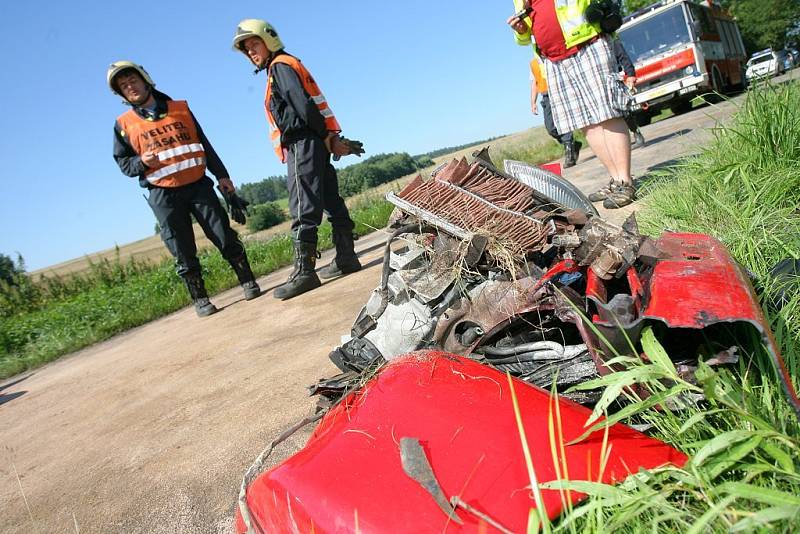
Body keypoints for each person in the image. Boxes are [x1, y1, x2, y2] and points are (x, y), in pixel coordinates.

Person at [109, 61, 261, 317]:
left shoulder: (180, 109)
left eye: (132, 80)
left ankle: (248, 281)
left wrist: (222, 176)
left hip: (198, 184)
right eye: (123, 86)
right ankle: (200, 299)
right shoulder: (123, 125)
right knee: (181, 248)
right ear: (121, 94)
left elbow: (204, 143)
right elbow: (123, 163)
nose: (130, 87)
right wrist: (141, 162)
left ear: (145, 80)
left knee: (222, 234)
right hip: (162, 192)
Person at [231, 19, 365, 300]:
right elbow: (311, 106)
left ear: (269, 39)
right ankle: (346, 257)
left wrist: (327, 139)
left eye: (254, 44)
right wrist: (329, 139)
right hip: (314, 140)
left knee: (302, 205)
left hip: (302, 143)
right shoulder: (285, 65)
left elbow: (303, 107)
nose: (251, 52)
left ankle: (304, 272)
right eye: (247, 49)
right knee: (330, 199)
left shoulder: (280, 66)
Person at [507, 0, 636, 209]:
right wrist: (521, 30)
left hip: (587, 43)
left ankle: (625, 181)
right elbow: (525, 35)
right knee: (586, 122)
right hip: (553, 59)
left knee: (608, 113)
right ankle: (615, 180)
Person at [530, 55, 583, 167]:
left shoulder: (552, 57)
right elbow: (534, 83)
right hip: (546, 96)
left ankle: (570, 154)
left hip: (558, 92)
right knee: (550, 128)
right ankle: (573, 145)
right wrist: (533, 102)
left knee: (563, 123)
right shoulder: (534, 63)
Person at [611, 37, 646, 149]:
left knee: (623, 109)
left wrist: (630, 74)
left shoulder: (610, 41)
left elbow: (623, 57)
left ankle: (636, 132)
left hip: (613, 78)